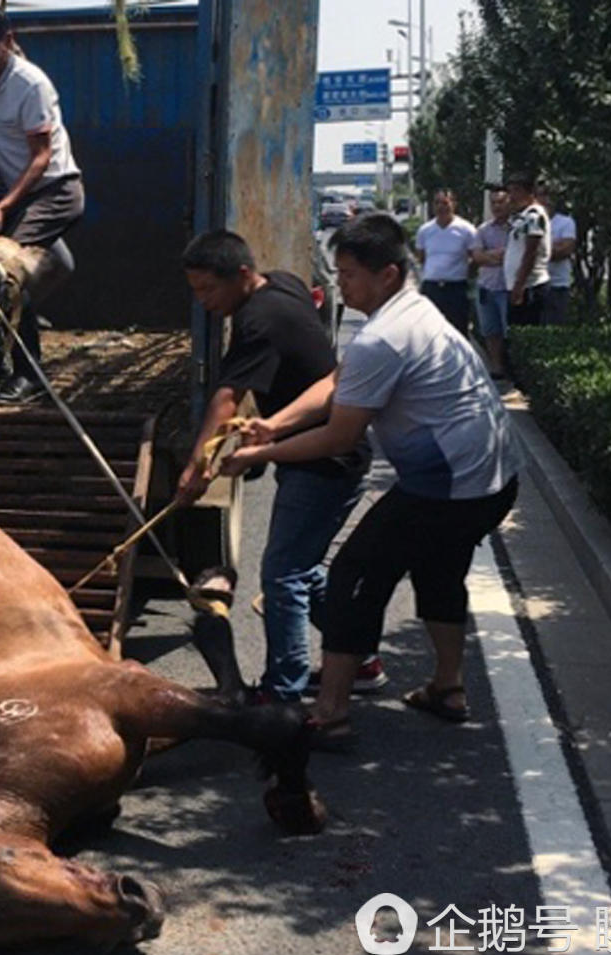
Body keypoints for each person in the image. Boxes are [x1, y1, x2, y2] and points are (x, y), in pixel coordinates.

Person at [221, 214, 518, 750]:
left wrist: (261, 453)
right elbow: (339, 383)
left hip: (449, 486)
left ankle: (331, 712)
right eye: (338, 274)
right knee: (439, 571)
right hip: (493, 477)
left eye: (351, 275)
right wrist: (277, 422)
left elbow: (339, 436)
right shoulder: (411, 308)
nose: (341, 285)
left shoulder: (383, 337)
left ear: (388, 274)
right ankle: (448, 688)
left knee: (355, 578)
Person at [175, 231, 372, 704]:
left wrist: (197, 468)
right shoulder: (282, 284)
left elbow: (226, 397)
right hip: (317, 450)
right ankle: (360, 657)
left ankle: (282, 692)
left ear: (242, 275)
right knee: (301, 566)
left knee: (282, 573)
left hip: (325, 456)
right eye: (196, 291)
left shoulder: (259, 321)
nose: (204, 303)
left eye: (209, 290)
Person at [0, 1, 85, 404]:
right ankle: (4, 348)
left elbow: (42, 157)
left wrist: (3, 205)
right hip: (22, 193)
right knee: (55, 266)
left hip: (55, 189)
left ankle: (29, 376)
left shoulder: (30, 85)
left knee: (4, 268)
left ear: (7, 42)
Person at [413, 189, 477, 334]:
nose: (441, 207)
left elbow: (475, 257)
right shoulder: (425, 230)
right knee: (429, 331)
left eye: (445, 203)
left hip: (456, 288)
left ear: (453, 204)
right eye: (437, 203)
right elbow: (421, 258)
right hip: (431, 287)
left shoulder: (466, 230)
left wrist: (466, 273)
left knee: (458, 330)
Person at [470, 186, 513, 377]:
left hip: (509, 288)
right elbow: (477, 257)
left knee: (509, 331)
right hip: (487, 287)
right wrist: (499, 256)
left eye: (500, 202)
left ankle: (513, 369)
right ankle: (496, 367)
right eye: (493, 203)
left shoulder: (517, 228)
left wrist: (493, 256)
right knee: (490, 330)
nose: (496, 206)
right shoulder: (483, 230)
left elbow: (514, 255)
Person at [503, 173, 550, 327]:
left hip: (530, 287)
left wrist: (519, 285)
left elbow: (531, 252)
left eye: (516, 191)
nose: (512, 196)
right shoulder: (522, 216)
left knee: (525, 331)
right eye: (510, 191)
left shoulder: (534, 215)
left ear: (530, 193)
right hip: (518, 286)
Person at [539, 187, 576, 325]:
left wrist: (536, 249)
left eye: (549, 195)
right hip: (534, 285)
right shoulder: (528, 223)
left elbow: (565, 251)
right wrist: (553, 245)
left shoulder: (566, 222)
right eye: (542, 195)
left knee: (556, 326)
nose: (546, 200)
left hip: (558, 285)